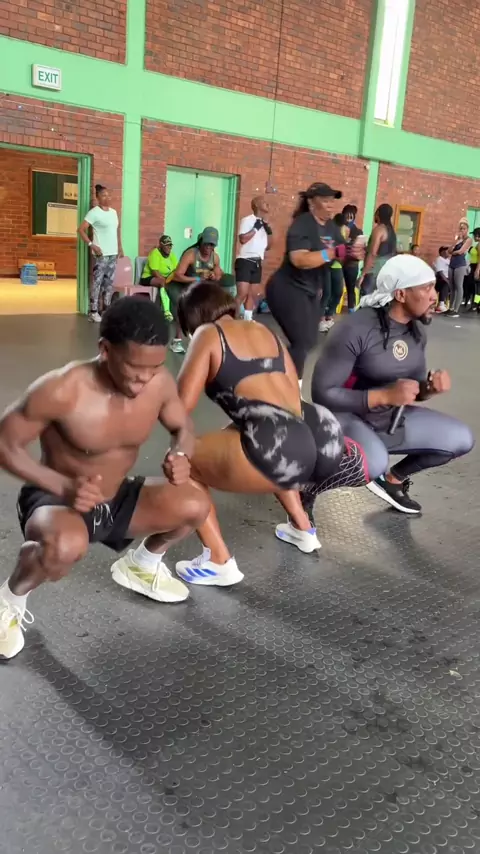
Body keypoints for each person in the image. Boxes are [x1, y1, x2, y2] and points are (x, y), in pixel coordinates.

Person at [0, 297, 210, 659]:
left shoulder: (158, 383)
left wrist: (180, 453)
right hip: (57, 498)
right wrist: (63, 486)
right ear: (105, 349)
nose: (144, 379)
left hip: (114, 496)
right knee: (63, 547)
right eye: (134, 367)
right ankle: (9, 600)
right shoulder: (62, 389)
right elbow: (5, 445)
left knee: (195, 504)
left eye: (155, 367)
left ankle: (141, 566)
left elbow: (183, 427)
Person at [168, 282, 369, 585]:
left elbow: (179, 408)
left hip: (282, 443)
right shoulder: (264, 331)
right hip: (323, 436)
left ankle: (218, 560)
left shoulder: (208, 334)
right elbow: (289, 398)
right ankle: (302, 527)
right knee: (256, 436)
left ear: (193, 317)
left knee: (185, 463)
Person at [310, 254, 474, 515]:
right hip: (344, 418)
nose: (434, 296)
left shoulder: (416, 330)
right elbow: (322, 393)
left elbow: (412, 390)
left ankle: (392, 481)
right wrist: (384, 396)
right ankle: (305, 491)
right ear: (400, 294)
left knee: (460, 439)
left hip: (388, 419)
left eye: (433, 287)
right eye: (426, 288)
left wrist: (428, 389)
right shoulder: (355, 329)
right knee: (373, 462)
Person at [265, 182, 363, 384]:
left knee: (309, 341)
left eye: (331, 201)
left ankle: (273, 368)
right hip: (286, 289)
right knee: (301, 342)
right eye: (325, 200)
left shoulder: (331, 227)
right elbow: (299, 259)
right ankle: (292, 390)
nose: (330, 205)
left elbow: (341, 253)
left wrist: (353, 253)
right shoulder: (302, 224)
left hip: (309, 291)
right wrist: (333, 253)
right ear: (311, 202)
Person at [168, 227, 223, 354]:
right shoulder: (191, 254)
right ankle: (176, 342)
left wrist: (214, 276)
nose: (208, 247)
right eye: (206, 243)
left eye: (211, 244)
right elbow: (177, 275)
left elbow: (219, 273)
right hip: (176, 284)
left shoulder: (215, 258)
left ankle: (198, 338)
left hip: (192, 286)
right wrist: (197, 278)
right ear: (201, 241)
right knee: (183, 308)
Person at [78, 184, 123, 323]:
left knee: (108, 283)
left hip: (113, 253)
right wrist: (92, 245)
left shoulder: (113, 212)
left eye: (108, 195)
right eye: (103, 195)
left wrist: (120, 247)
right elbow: (81, 230)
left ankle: (106, 310)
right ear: (97, 197)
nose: (107, 198)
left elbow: (116, 231)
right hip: (101, 254)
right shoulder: (94, 213)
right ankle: (93, 311)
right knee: (97, 282)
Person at [235, 195, 273, 321]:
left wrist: (268, 230)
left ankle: (247, 320)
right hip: (245, 260)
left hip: (257, 262)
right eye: (264, 202)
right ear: (256, 205)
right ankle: (232, 319)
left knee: (253, 294)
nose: (267, 204)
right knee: (242, 293)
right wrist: (256, 228)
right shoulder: (247, 220)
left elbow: (269, 246)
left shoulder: (265, 224)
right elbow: (242, 239)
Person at [358, 203, 397, 296]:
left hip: (373, 272)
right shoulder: (392, 232)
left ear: (378, 213)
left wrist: (363, 274)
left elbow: (372, 253)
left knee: (366, 301)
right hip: (386, 273)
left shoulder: (379, 229)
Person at [318, 214, 347, 332]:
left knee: (338, 292)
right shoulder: (327, 234)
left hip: (337, 266)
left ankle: (329, 316)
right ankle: (320, 320)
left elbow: (343, 252)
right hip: (325, 265)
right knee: (327, 293)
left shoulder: (341, 233)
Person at [141, 234, 177, 319]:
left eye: (170, 245)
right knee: (162, 282)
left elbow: (176, 270)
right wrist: (167, 281)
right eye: (166, 245)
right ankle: (166, 311)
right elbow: (155, 272)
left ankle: (176, 310)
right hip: (148, 277)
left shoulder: (172, 255)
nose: (169, 247)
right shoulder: (155, 253)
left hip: (166, 278)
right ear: (161, 245)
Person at [446, 218, 472, 318]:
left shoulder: (469, 239)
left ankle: (456, 309)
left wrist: (453, 252)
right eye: (460, 228)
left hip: (460, 264)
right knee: (452, 286)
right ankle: (451, 308)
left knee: (458, 286)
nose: (462, 230)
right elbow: (448, 250)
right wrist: (456, 241)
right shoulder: (458, 239)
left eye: (464, 228)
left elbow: (461, 251)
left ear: (467, 229)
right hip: (452, 263)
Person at [342, 204, 364, 312]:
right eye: (347, 216)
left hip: (352, 264)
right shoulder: (339, 229)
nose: (349, 219)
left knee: (350, 289)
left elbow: (361, 248)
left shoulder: (358, 231)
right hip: (338, 263)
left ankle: (351, 310)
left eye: (351, 217)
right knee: (335, 288)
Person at [433, 246, 450, 313]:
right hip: (440, 278)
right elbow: (440, 272)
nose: (449, 252)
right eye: (447, 251)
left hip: (447, 278)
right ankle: (441, 304)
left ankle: (447, 304)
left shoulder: (448, 260)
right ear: (442, 252)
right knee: (445, 283)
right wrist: (448, 281)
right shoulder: (439, 259)